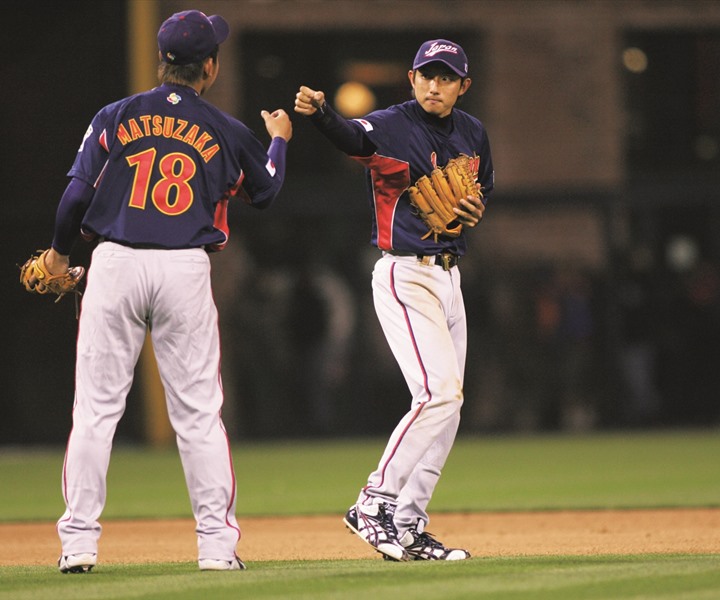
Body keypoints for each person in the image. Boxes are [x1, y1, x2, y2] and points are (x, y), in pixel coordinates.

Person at [34, 10, 292, 573]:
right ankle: (217, 550)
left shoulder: (115, 115)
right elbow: (267, 192)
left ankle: (78, 545)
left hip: (116, 264)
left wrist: (57, 253)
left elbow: (75, 199)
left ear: (161, 61)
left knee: (96, 413)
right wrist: (278, 142)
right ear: (210, 66)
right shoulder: (225, 127)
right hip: (184, 269)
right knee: (199, 415)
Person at [294, 39, 494, 561]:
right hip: (406, 275)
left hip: (451, 278)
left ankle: (408, 523)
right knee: (438, 394)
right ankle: (374, 501)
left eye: (446, 77)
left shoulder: (473, 133)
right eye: (427, 74)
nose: (435, 84)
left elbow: (483, 187)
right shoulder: (390, 125)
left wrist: (474, 207)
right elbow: (350, 138)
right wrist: (321, 115)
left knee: (448, 407)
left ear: (462, 86)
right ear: (411, 78)